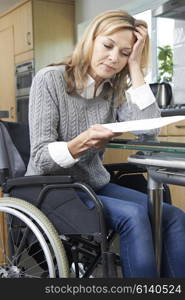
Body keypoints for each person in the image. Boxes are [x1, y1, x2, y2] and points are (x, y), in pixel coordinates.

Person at [26, 9, 185, 277]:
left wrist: (135, 67)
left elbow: (148, 133)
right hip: (51, 188)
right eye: (108, 45)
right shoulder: (49, 79)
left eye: (124, 53)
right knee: (133, 216)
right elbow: (41, 157)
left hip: (93, 184)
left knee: (173, 215)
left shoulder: (113, 90)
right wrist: (82, 142)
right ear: (91, 39)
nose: (114, 58)